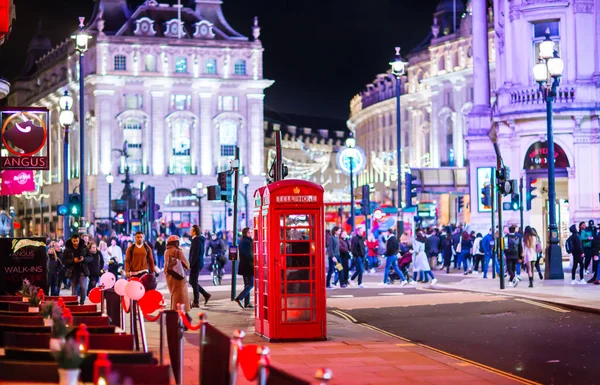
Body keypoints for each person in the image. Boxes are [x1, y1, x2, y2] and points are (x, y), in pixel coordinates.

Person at [164, 235, 192, 322]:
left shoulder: (166, 251)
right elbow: (186, 264)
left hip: (170, 277)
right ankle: (185, 319)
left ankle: (178, 315)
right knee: (182, 298)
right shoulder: (178, 251)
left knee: (174, 296)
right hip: (179, 277)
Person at [63, 234, 92, 305]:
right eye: (74, 241)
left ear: (79, 240)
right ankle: (74, 303)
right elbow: (64, 261)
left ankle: (82, 302)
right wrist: (73, 260)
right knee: (74, 289)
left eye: (77, 241)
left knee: (83, 288)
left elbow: (90, 257)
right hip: (72, 272)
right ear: (71, 240)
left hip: (82, 270)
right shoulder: (67, 250)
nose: (75, 242)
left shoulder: (84, 248)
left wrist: (84, 259)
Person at [189, 225, 211, 308]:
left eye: (191, 230)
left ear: (195, 231)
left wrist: (190, 264)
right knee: (193, 282)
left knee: (193, 282)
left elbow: (195, 254)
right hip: (197, 263)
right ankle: (205, 295)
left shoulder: (196, 240)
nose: (190, 231)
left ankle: (196, 302)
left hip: (196, 264)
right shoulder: (197, 240)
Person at [235, 227, 254, 309]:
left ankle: (247, 302)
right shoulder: (246, 242)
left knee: (247, 284)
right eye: (250, 232)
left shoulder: (244, 241)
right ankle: (240, 298)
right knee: (251, 284)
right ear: (247, 233)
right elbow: (249, 255)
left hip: (244, 266)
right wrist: (256, 259)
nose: (251, 233)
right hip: (248, 266)